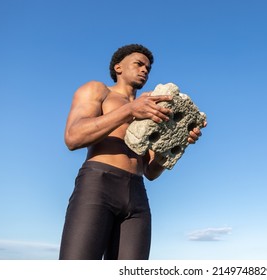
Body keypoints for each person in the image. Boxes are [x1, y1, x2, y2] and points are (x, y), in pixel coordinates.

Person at [59, 44, 205, 260]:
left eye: (148, 67)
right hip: (98, 184)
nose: (144, 70)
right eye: (138, 64)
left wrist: (176, 145)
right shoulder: (98, 90)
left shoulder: (149, 107)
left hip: (136, 193)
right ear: (118, 67)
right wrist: (129, 110)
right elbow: (73, 137)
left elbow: (151, 172)